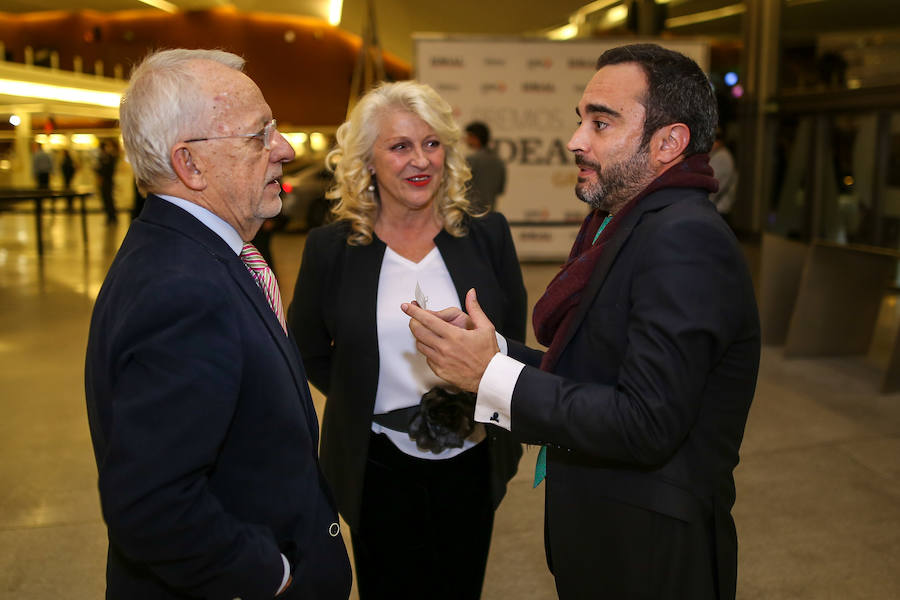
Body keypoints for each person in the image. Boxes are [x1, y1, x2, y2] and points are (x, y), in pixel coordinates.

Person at [404, 43, 760, 600]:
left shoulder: (683, 240)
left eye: (602, 122)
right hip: (610, 539)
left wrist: (490, 377)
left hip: (649, 558)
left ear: (669, 143)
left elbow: (645, 422)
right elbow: (599, 373)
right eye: (581, 121)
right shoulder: (625, 225)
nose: (576, 140)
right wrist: (493, 352)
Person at [84, 49, 351, 599]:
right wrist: (268, 574)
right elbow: (150, 503)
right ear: (191, 164)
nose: (286, 149)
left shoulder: (190, 253)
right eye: (260, 135)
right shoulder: (184, 290)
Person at [288, 81, 526, 599]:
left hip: (472, 456)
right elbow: (307, 349)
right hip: (377, 464)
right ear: (367, 160)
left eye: (432, 143)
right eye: (400, 146)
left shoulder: (488, 235)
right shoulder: (332, 248)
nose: (420, 160)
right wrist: (363, 394)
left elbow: (510, 339)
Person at [464, 121, 506, 212]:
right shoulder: (499, 161)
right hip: (491, 213)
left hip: (471, 214)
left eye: (468, 136)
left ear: (474, 137)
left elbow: (462, 188)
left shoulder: (471, 160)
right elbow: (500, 189)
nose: (466, 140)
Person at [709, 129, 738, 217]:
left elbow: (712, 185)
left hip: (718, 209)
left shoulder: (722, 156)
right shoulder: (718, 155)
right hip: (717, 209)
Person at [95, 138, 119, 224]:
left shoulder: (109, 157)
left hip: (107, 181)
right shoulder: (103, 157)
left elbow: (106, 170)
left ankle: (112, 217)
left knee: (108, 199)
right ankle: (110, 216)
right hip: (105, 181)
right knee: (106, 199)